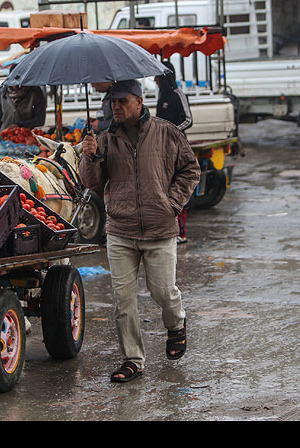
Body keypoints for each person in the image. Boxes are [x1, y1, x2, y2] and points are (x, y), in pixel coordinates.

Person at [79, 79, 201, 383]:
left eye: (122, 101)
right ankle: (133, 359)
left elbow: (191, 170)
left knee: (163, 292)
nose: (116, 107)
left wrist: (172, 204)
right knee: (124, 301)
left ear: (139, 101)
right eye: (112, 102)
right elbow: (92, 183)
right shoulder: (105, 139)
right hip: (121, 230)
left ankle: (176, 323)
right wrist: (90, 156)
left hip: (159, 229)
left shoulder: (166, 132)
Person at [155, 61, 194, 242]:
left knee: (179, 187)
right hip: (163, 149)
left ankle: (182, 232)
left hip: (178, 148)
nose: (154, 80)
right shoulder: (162, 96)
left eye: (157, 76)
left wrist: (172, 132)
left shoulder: (178, 95)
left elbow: (188, 120)